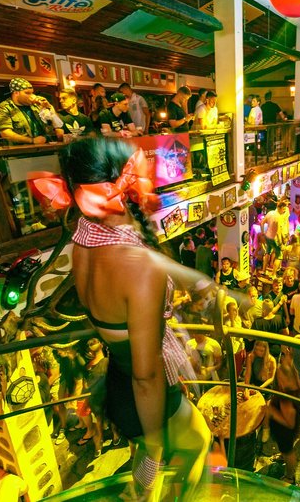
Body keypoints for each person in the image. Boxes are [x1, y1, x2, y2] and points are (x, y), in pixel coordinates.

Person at [57, 138, 211, 498]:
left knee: (148, 463)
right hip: (143, 394)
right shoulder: (136, 265)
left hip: (118, 379)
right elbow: (146, 376)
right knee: (199, 443)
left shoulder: (84, 240)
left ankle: (140, 493)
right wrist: (154, 434)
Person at [0, 77, 62, 144]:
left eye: (32, 93)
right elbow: (5, 133)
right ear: (16, 93)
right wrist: (32, 141)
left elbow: (57, 124)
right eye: (27, 93)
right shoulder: (3, 108)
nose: (31, 95)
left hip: (46, 146)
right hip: (22, 150)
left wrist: (49, 107)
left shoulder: (36, 105)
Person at [268, 345, 300, 484]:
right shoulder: (292, 378)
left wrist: (272, 412)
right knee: (285, 448)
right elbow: (287, 363)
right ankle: (283, 456)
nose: (278, 379)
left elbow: (290, 423)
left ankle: (289, 476)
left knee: (288, 451)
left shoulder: (286, 397)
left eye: (281, 378)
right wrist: (288, 355)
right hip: (284, 428)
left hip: (285, 429)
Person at [262, 200, 290, 271]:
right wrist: (280, 243)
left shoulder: (270, 213)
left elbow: (262, 223)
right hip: (276, 237)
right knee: (279, 256)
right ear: (279, 208)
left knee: (267, 252)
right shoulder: (278, 216)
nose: (284, 211)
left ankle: (264, 270)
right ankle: (274, 273)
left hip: (268, 236)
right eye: (283, 209)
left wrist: (263, 233)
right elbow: (278, 232)